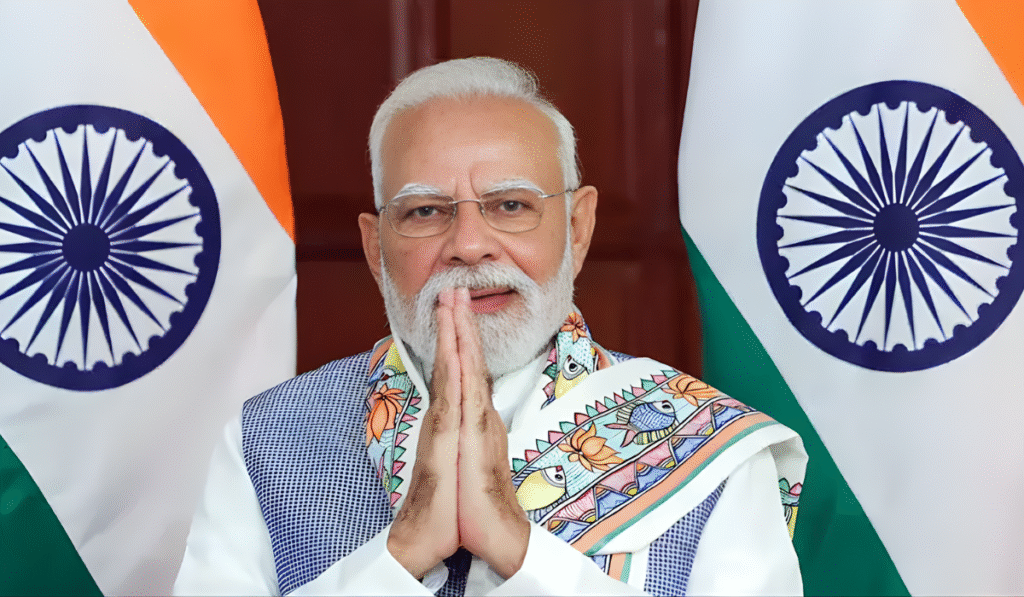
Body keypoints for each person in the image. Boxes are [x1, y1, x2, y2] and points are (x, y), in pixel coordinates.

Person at [174, 57, 807, 596]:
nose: (469, 245)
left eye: (510, 205)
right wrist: (402, 553)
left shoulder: (712, 449)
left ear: (577, 229)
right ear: (375, 248)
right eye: (425, 212)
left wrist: (517, 547)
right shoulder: (268, 439)